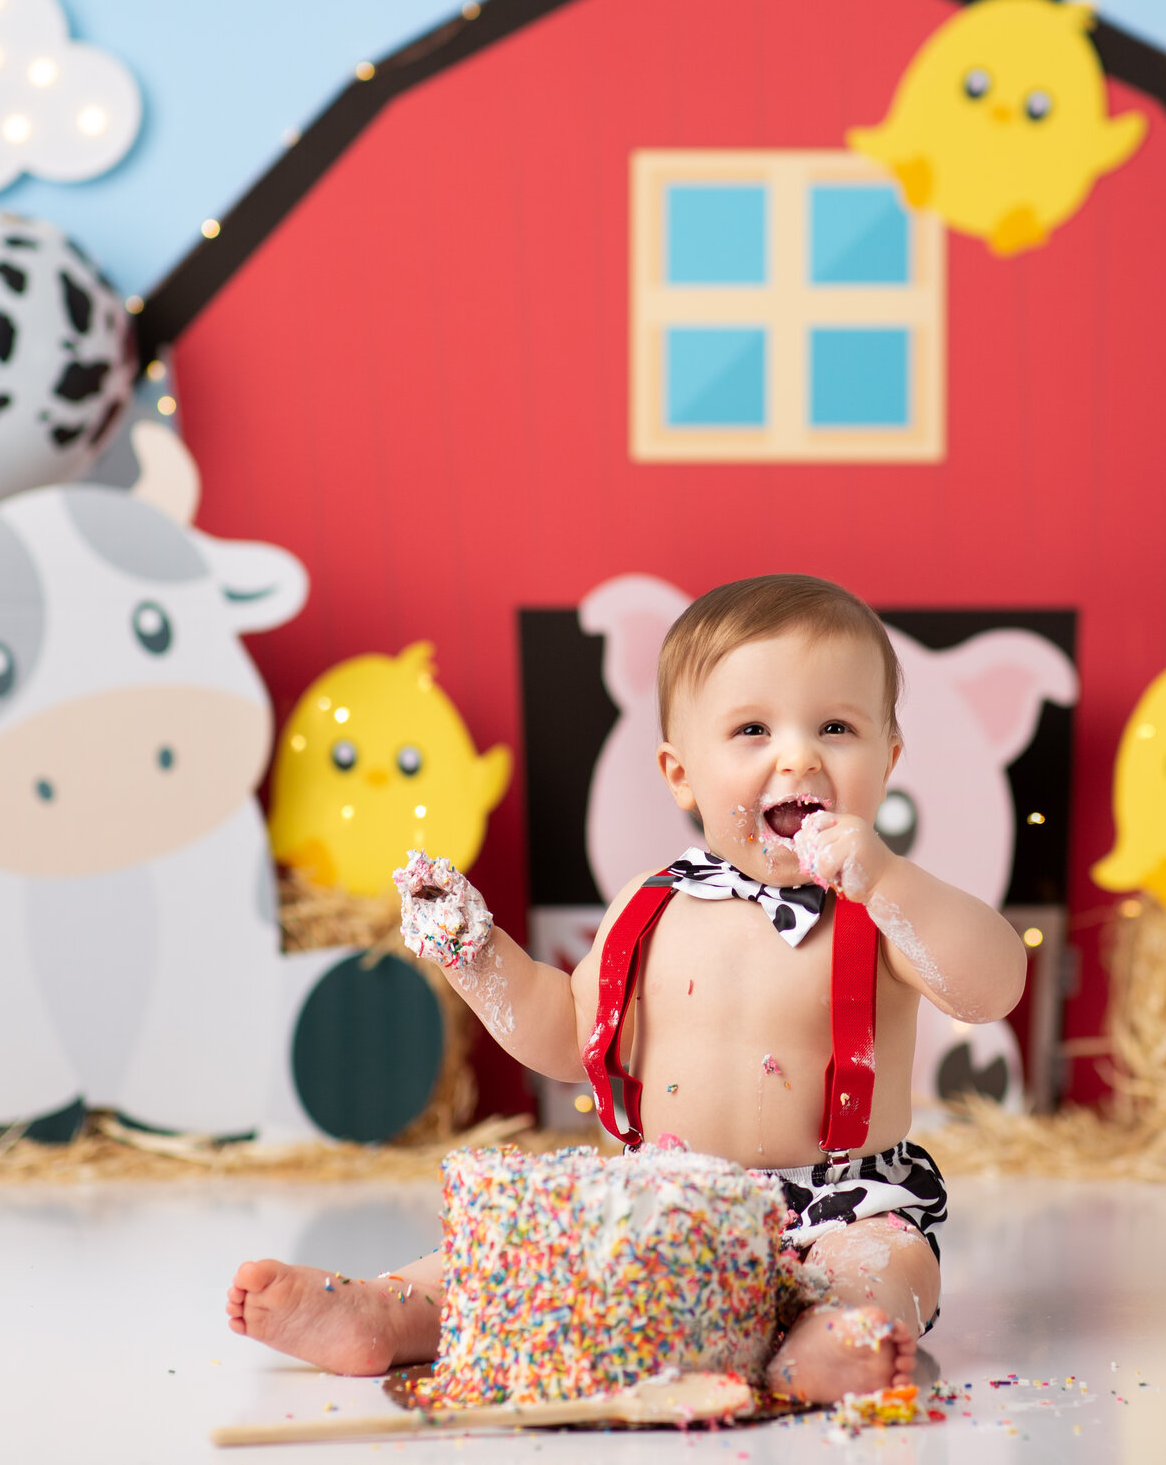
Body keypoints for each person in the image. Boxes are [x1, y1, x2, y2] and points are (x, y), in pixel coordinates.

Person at [226, 574, 1029, 1401]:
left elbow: (990, 986)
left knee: (887, 1264)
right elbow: (567, 1033)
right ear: (682, 775)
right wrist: (475, 952)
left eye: (836, 726)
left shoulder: (885, 909)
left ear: (889, 760)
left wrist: (889, 880)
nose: (799, 755)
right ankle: (390, 1312)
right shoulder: (653, 905)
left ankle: (833, 1338)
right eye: (753, 729)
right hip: (667, 1197)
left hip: (842, 1200)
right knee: (529, 1257)